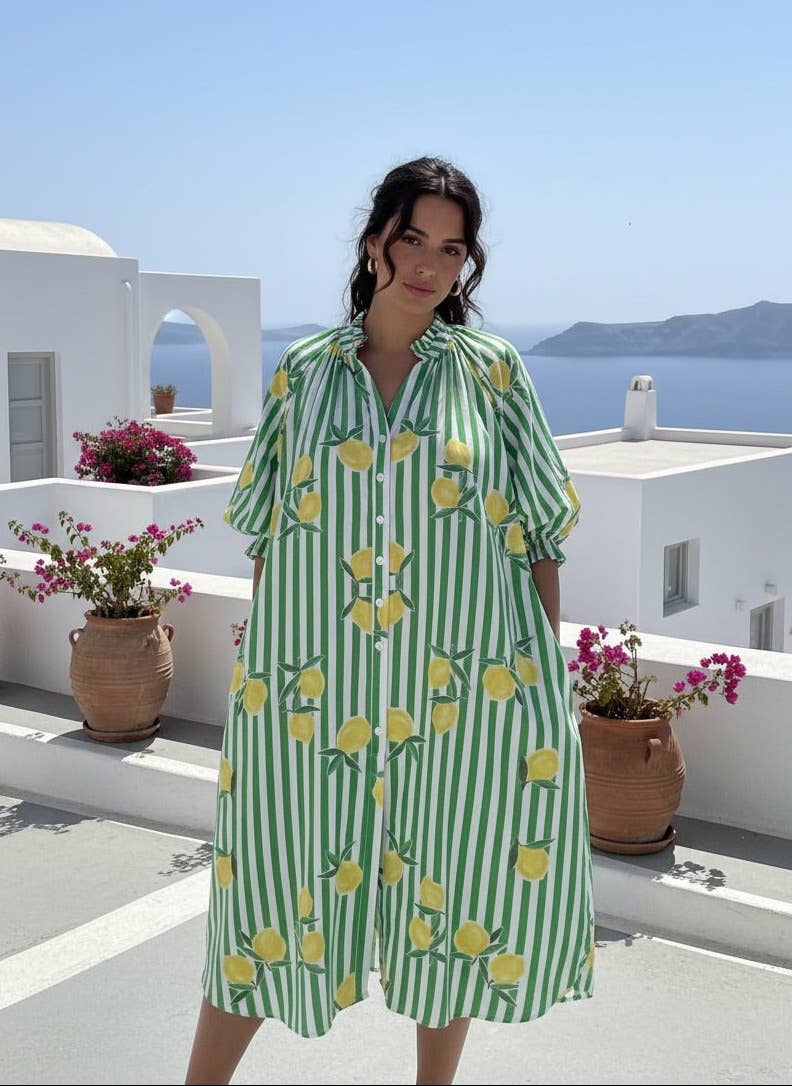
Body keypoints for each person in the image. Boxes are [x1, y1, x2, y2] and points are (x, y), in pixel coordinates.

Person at [185, 155, 594, 1086]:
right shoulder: (304, 375)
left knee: (453, 900)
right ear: (376, 242)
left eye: (451, 249)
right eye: (413, 239)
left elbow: (538, 538)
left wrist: (545, 699)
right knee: (269, 896)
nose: (429, 265)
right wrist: (264, 679)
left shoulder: (492, 374)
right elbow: (267, 537)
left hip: (473, 695)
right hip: (308, 699)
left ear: (466, 264)